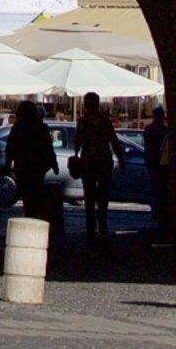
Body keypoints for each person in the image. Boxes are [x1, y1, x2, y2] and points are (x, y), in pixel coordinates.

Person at [73, 92, 119, 254]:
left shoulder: (83, 122)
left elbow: (78, 141)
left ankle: (91, 228)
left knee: (90, 197)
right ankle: (102, 227)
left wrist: (76, 154)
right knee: (102, 197)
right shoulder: (105, 121)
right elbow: (114, 140)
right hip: (103, 163)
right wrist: (121, 158)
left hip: (90, 163)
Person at [4, 97, 58, 221]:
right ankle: (34, 217)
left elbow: (10, 148)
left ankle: (30, 217)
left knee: (27, 196)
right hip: (38, 167)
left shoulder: (18, 128)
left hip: (23, 167)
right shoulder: (41, 128)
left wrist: (8, 165)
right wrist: (53, 164)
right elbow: (48, 147)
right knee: (36, 194)